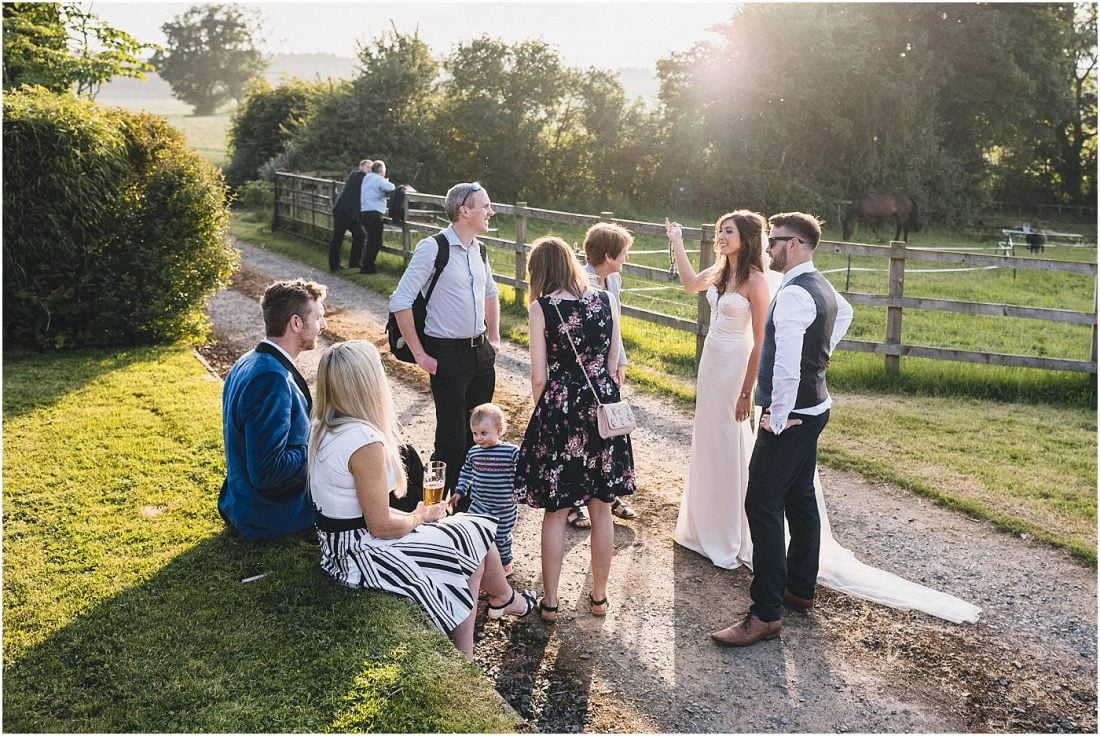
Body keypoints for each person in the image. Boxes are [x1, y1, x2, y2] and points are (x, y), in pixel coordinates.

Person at [665, 213, 981, 645]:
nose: (769, 247)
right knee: (800, 498)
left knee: (761, 503)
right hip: (817, 408)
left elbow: (786, 366)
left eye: (775, 241)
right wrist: (823, 353)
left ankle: (765, 613)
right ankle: (800, 588)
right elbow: (844, 313)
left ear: (794, 244)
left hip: (793, 414)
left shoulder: (795, 293)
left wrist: (777, 416)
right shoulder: (818, 284)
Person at [308, 340, 536, 661]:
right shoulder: (363, 440)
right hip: (361, 556)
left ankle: (503, 602)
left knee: (472, 529)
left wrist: (417, 517)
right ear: (367, 383)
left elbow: (360, 512)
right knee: (471, 543)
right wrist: (419, 517)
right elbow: (380, 525)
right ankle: (468, 652)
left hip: (338, 545)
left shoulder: (322, 427)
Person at [514, 236, 636, 621]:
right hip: (603, 409)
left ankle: (550, 602)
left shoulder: (541, 308)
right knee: (602, 507)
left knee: (557, 509)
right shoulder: (607, 300)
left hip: (562, 409)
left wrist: (545, 413)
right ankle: (599, 598)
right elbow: (613, 364)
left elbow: (538, 376)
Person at [666, 211, 771, 570]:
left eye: (728, 231)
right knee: (707, 439)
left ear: (746, 237)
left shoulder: (756, 281)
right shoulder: (720, 271)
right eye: (720, 231)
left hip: (735, 367)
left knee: (727, 440)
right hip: (711, 362)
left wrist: (746, 392)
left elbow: (761, 342)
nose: (721, 237)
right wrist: (677, 242)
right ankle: (700, 528)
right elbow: (688, 283)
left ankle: (727, 533)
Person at [389, 182, 501, 504]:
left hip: (481, 354)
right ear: (464, 211)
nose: (491, 212)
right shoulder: (433, 248)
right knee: (451, 440)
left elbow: (490, 294)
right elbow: (400, 301)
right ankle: (433, 509)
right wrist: (420, 354)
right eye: (485, 206)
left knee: (479, 436)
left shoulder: (479, 250)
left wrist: (494, 338)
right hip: (447, 356)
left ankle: (466, 506)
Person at [218, 279, 328, 539]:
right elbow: (268, 471)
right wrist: (321, 446)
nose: (323, 325)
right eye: (318, 318)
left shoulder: (250, 360)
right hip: (271, 516)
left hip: (250, 505)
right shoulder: (270, 377)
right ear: (296, 323)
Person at [568, 221, 641, 529]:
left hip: (606, 368)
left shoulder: (613, 280)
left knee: (607, 431)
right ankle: (574, 501)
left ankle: (608, 494)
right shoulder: (580, 282)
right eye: (623, 252)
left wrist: (620, 361)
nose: (626, 257)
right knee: (581, 435)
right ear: (609, 255)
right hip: (584, 371)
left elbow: (615, 326)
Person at [448, 403, 521, 576]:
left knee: (500, 537)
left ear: (499, 430)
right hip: (479, 503)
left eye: (483, 433)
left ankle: (505, 563)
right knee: (473, 530)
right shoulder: (474, 453)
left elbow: (525, 468)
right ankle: (476, 560)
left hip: (504, 506)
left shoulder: (511, 452)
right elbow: (466, 472)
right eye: (475, 433)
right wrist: (460, 491)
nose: (479, 438)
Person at [328, 159, 371, 271]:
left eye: (371, 168)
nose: (369, 170)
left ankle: (354, 262)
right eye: (367, 167)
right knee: (338, 236)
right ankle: (334, 264)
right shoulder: (358, 175)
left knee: (360, 235)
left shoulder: (362, 178)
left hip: (352, 213)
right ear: (361, 167)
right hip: (343, 211)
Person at [358, 160, 396, 274]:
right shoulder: (379, 179)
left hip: (364, 212)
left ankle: (366, 264)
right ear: (381, 171)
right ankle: (368, 267)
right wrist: (386, 180)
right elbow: (391, 187)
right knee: (375, 241)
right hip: (374, 213)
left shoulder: (367, 178)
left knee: (371, 240)